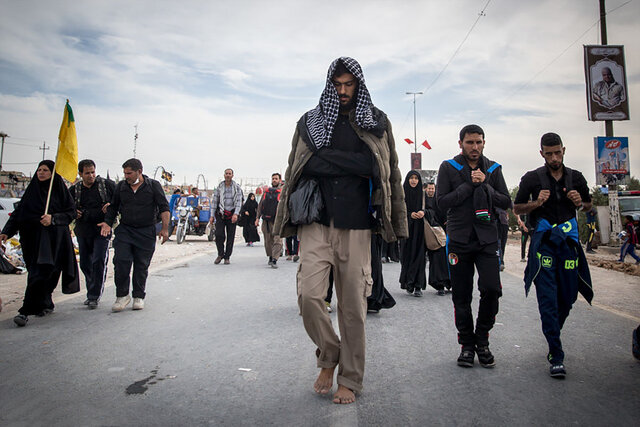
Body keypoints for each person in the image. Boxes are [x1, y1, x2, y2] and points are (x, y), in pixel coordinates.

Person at [273, 57, 408, 404]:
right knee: (308, 297)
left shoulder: (376, 121)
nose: (343, 91)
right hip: (316, 221)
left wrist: (329, 158)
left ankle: (350, 379)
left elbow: (379, 167)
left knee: (352, 308)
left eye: (349, 85)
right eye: (338, 85)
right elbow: (300, 167)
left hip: (358, 224)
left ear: (359, 86)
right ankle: (329, 353)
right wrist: (349, 164)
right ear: (330, 85)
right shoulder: (309, 122)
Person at [514, 132, 594, 378]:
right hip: (544, 243)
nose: (554, 157)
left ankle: (553, 333)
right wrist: (536, 203)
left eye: (557, 152)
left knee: (568, 297)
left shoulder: (576, 177)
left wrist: (581, 201)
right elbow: (517, 207)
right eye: (549, 153)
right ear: (542, 154)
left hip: (568, 244)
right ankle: (556, 354)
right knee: (547, 299)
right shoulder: (532, 178)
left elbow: (589, 205)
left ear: (563, 150)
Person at [436, 124, 511, 368]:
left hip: (488, 239)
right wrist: (469, 185)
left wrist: (485, 185)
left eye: (479, 142)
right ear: (461, 144)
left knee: (491, 289)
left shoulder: (494, 169)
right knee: (461, 295)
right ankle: (467, 344)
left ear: (484, 143)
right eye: (470, 142)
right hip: (459, 238)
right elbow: (441, 203)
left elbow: (505, 201)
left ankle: (483, 339)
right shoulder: (449, 167)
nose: (475, 147)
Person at [1, 160, 79, 327]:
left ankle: (24, 311)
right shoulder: (32, 192)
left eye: (45, 170)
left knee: (45, 272)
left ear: (52, 174)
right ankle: (44, 302)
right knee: (36, 272)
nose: (41, 173)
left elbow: (71, 212)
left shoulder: (59, 191)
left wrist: (53, 218)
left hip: (54, 240)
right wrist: (6, 232)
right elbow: (18, 213)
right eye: (39, 170)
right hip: (32, 239)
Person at [99, 158, 170, 312]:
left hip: (146, 231)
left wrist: (165, 229)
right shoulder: (121, 187)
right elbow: (113, 207)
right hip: (126, 230)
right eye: (124, 173)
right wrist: (107, 223)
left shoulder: (153, 186)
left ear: (139, 171)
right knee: (121, 261)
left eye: (129, 173)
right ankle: (122, 296)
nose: (127, 176)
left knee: (141, 265)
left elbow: (164, 208)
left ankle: (138, 296)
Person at [69, 159, 115, 309]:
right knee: (85, 263)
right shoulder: (75, 190)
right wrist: (73, 213)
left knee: (98, 260)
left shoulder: (106, 185)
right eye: (87, 173)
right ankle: (93, 285)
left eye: (93, 172)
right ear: (80, 174)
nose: (91, 176)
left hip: (102, 229)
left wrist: (110, 206)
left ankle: (94, 295)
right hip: (83, 230)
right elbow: (66, 208)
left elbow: (119, 200)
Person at [399, 170, 426, 297]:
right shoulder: (402, 194)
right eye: (411, 178)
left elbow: (432, 209)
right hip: (407, 230)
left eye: (416, 178)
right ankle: (408, 283)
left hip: (420, 231)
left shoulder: (423, 195)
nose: (414, 180)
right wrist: (409, 214)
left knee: (419, 257)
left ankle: (418, 285)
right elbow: (398, 211)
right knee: (407, 256)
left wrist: (423, 212)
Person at [210, 168, 243, 265]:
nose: (228, 175)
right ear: (224, 175)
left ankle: (227, 256)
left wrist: (236, 214)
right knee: (219, 234)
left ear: (232, 175)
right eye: (226, 173)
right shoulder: (219, 187)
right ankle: (220, 254)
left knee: (230, 237)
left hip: (232, 214)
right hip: (221, 214)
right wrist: (212, 216)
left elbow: (238, 202)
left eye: (230, 173)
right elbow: (215, 202)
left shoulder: (237, 188)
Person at [424, 182, 450, 295]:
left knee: (442, 259)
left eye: (432, 188)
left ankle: (444, 283)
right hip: (427, 232)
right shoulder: (423, 201)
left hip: (440, 233)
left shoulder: (440, 200)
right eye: (429, 188)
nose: (431, 190)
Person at [256, 173, 283, 268]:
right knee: (268, 241)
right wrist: (257, 218)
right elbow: (260, 206)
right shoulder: (266, 192)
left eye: (276, 179)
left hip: (278, 221)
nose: (274, 180)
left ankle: (275, 259)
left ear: (280, 180)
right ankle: (271, 256)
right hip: (266, 221)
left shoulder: (283, 191)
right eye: (273, 179)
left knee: (278, 241)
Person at [495, 207, 510, 271]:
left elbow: (513, 208)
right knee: (498, 244)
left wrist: (518, 219)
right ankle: (500, 262)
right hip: (497, 224)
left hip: (505, 224)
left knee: (503, 244)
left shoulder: (505, 199)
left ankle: (501, 261)